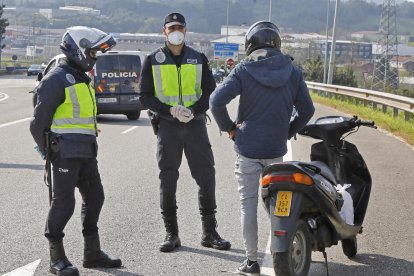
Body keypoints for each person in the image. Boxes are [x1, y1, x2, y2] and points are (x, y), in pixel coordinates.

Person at [209, 21, 315, 275]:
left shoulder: (244, 70)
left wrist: (230, 128)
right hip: (276, 151)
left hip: (246, 149)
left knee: (248, 206)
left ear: (250, 44)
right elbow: (308, 110)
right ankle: (282, 253)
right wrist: (288, 131)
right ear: (277, 43)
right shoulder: (292, 71)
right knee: (280, 205)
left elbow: (216, 101)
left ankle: (251, 262)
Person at [30, 26, 121, 275]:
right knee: (64, 203)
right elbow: (37, 125)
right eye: (94, 51)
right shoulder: (56, 79)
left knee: (95, 198)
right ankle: (56, 259)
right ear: (78, 49)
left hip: (86, 152)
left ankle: (92, 254)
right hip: (65, 154)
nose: (96, 56)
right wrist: (50, 152)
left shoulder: (83, 79)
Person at [139, 12, 231, 253]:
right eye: (171, 28)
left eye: (180, 27)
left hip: (195, 125)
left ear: (185, 30)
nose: (176, 31)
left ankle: (209, 233)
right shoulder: (152, 60)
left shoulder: (199, 58)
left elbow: (210, 92)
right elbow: (144, 97)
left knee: (206, 178)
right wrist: (170, 110)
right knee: (168, 180)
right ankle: (172, 234)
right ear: (164, 31)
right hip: (168, 128)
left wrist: (191, 110)